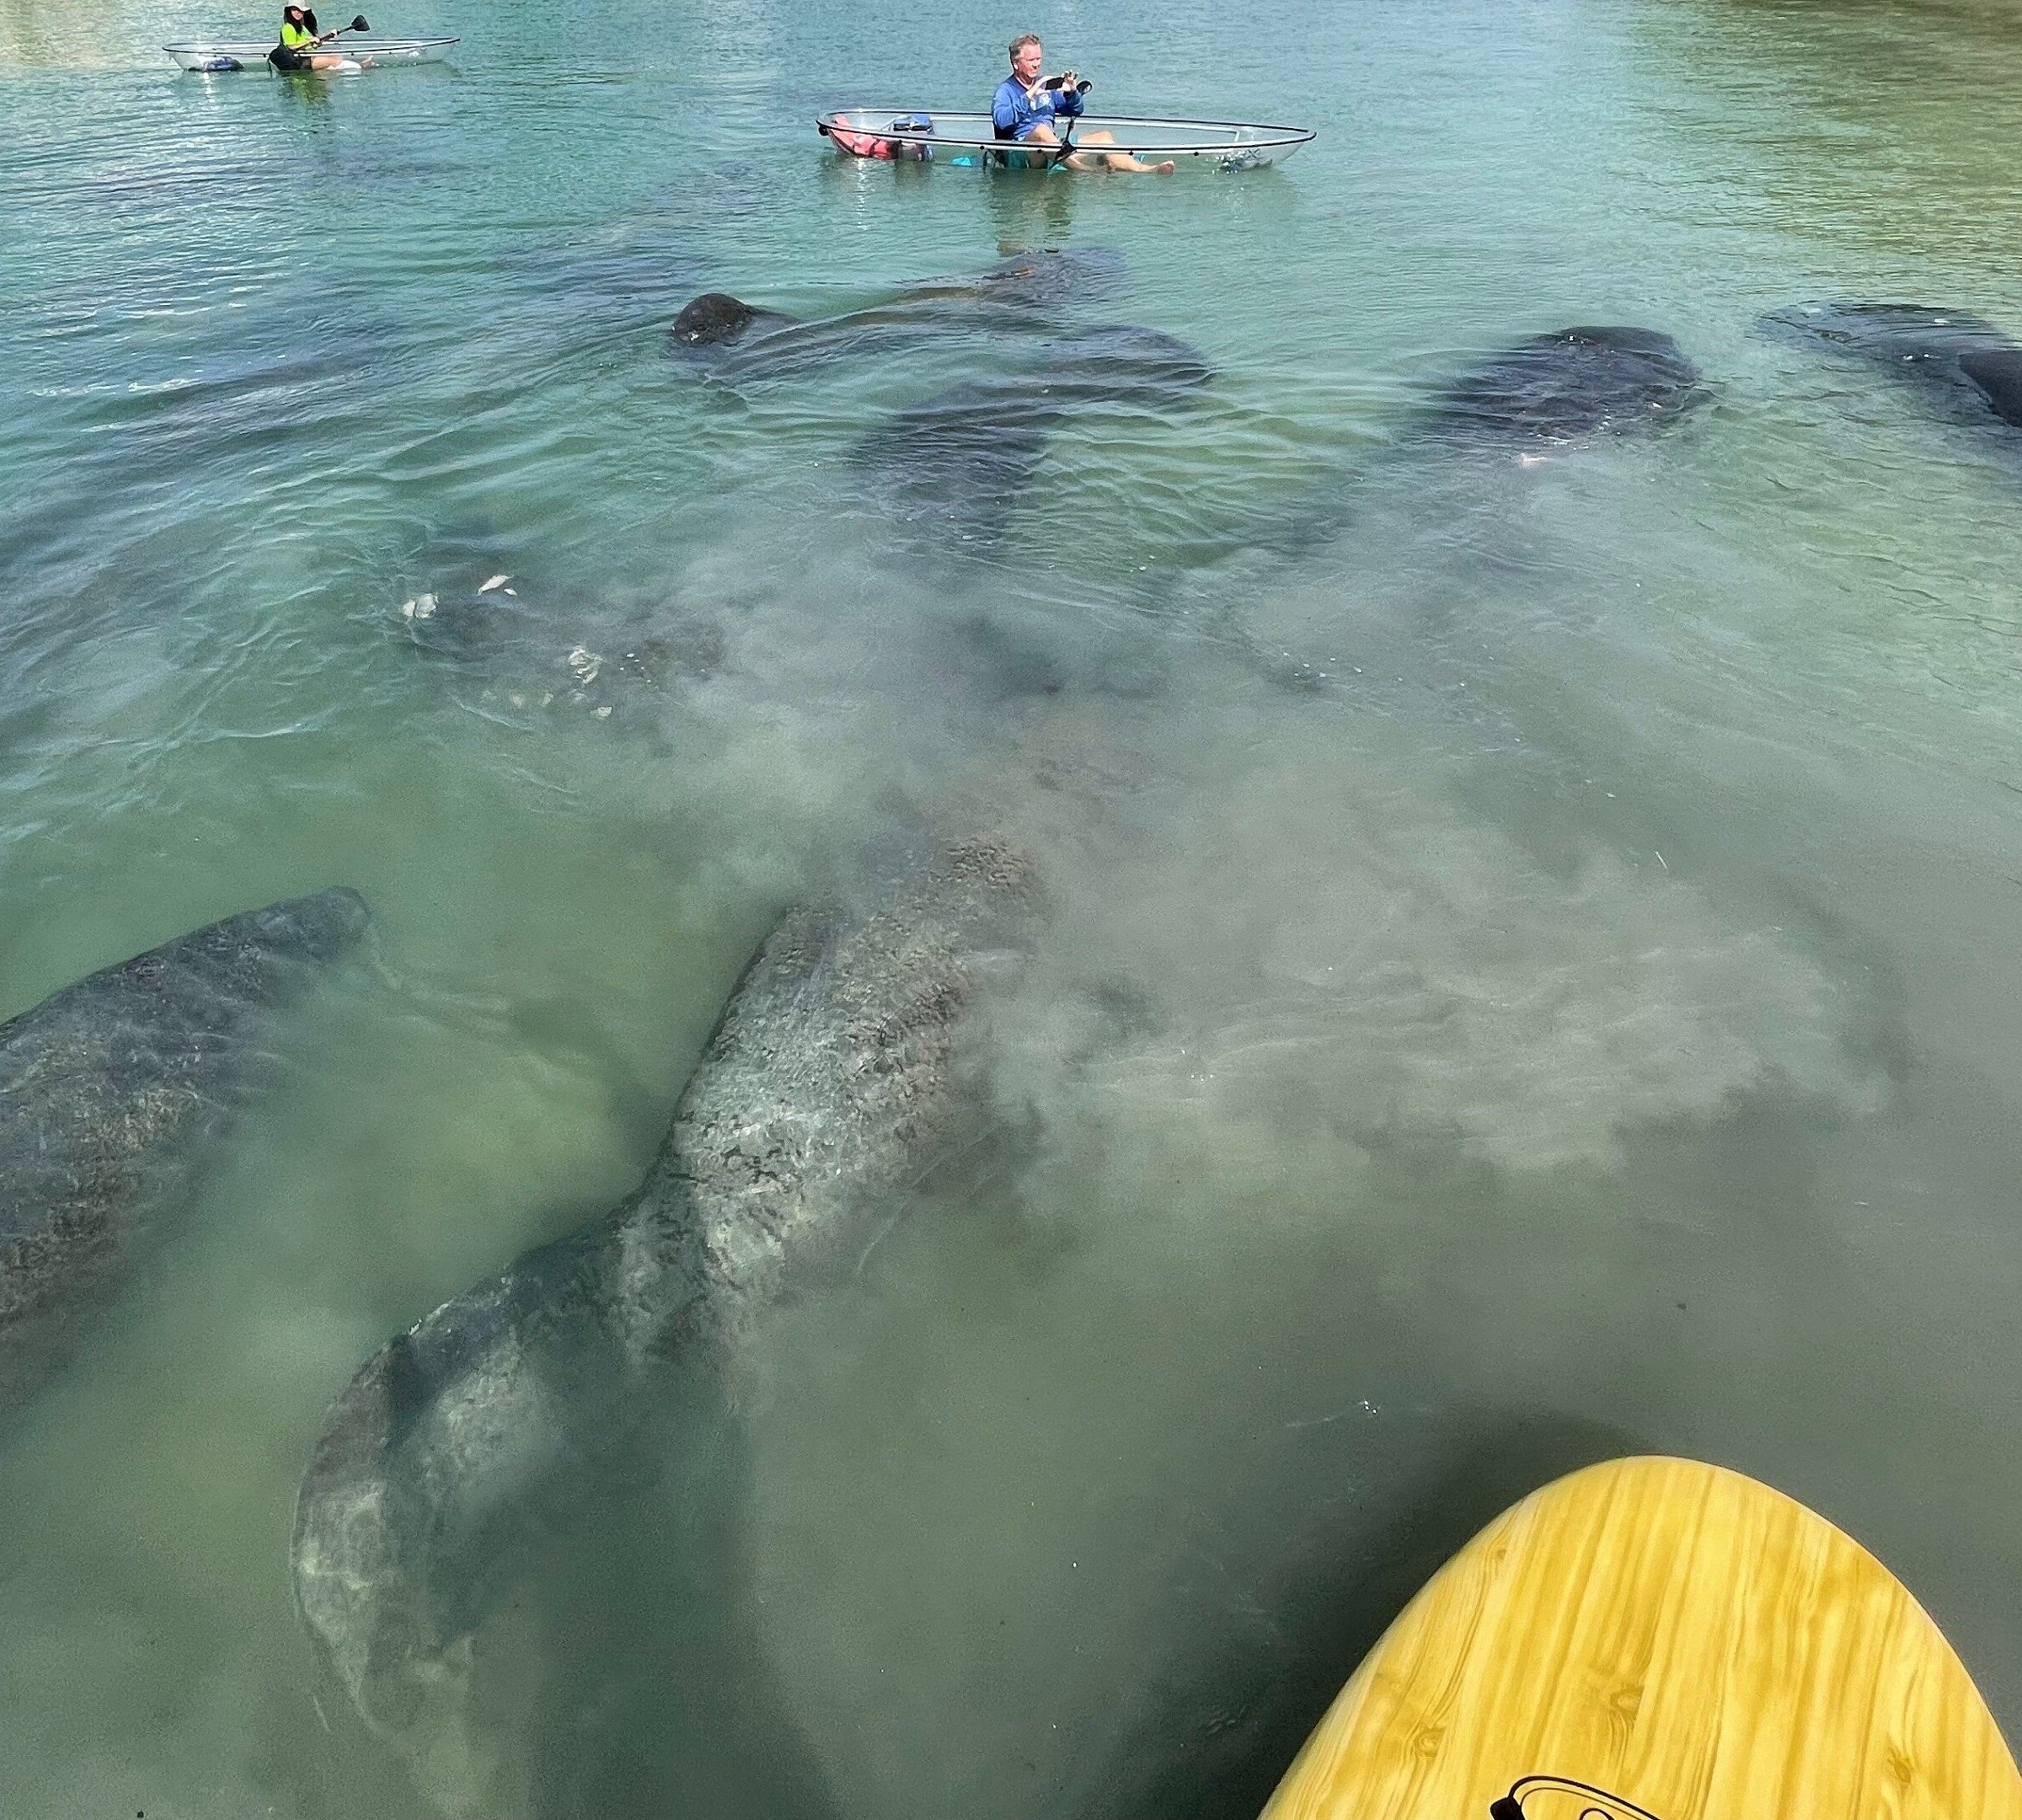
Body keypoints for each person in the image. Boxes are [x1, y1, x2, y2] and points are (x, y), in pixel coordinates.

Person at [991, 34, 1174, 174]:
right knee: (1041, 130)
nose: (1037, 65)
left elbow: (1076, 110)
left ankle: (1147, 170)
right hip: (1024, 153)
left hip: (1055, 148)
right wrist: (1032, 93)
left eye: (1039, 59)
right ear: (1016, 63)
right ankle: (1088, 171)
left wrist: (1072, 93)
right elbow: (1001, 120)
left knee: (1104, 137)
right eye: (1031, 60)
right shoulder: (1006, 90)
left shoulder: (1048, 86)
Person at [268, 5, 361, 72]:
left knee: (330, 65)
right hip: (299, 61)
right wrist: (309, 41)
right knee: (336, 59)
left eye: (300, 10)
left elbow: (313, 44)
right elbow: (291, 47)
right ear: (289, 12)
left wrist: (327, 37)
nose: (297, 13)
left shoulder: (304, 26)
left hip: (309, 57)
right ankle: (361, 68)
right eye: (294, 10)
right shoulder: (288, 27)